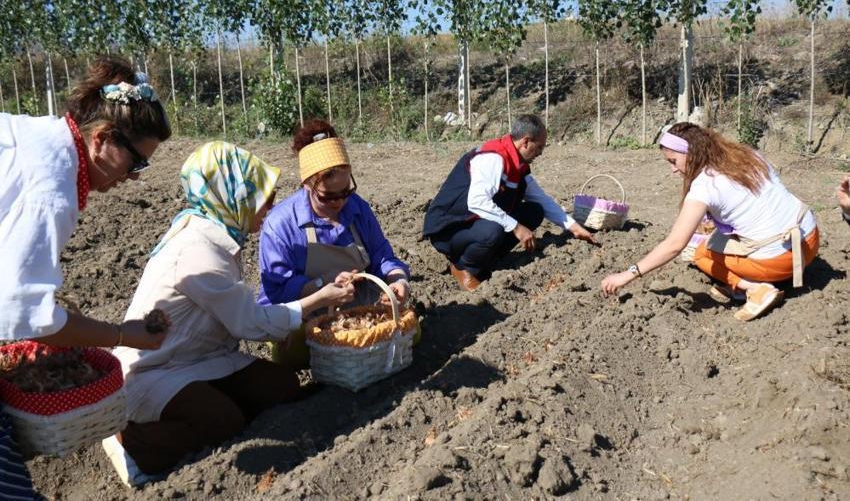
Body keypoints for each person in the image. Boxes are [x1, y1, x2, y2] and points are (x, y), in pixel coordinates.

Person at [105, 142, 355, 487]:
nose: (269, 207)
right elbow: (248, 323)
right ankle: (129, 443)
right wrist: (318, 298)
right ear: (233, 196)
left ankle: (212, 404)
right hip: (157, 368)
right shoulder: (198, 251)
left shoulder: (218, 232)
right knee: (223, 422)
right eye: (262, 198)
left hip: (203, 357)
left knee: (280, 385)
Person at [0, 56, 171, 499]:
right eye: (135, 163)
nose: (133, 179)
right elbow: (32, 318)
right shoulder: (51, 189)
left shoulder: (40, 139)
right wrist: (121, 334)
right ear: (101, 139)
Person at [601, 122, 819, 321]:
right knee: (720, 237)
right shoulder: (747, 155)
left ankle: (755, 289)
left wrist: (627, 274)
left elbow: (675, 245)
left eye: (673, 161)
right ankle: (753, 280)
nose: (673, 169)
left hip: (781, 261)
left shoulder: (705, 185)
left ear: (692, 153)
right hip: (809, 240)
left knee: (701, 253)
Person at [257, 119, 411, 367]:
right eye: (328, 196)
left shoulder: (357, 208)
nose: (339, 202)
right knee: (299, 352)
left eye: (345, 192)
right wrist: (321, 286)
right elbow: (277, 290)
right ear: (307, 185)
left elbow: (382, 256)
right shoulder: (281, 224)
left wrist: (397, 280)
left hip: (353, 305)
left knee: (406, 335)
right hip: (301, 312)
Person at [423, 114, 597, 291]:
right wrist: (516, 227)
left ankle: (488, 260)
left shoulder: (517, 164)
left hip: (474, 223)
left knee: (534, 211)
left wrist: (574, 227)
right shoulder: (493, 158)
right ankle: (464, 267)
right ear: (526, 142)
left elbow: (541, 199)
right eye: (540, 147)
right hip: (449, 228)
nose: (541, 153)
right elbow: (477, 201)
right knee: (494, 230)